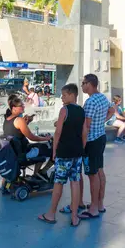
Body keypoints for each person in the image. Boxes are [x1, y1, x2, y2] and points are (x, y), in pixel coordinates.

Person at [38, 84, 87, 226]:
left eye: (64, 95)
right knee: (75, 182)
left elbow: (58, 132)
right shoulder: (81, 111)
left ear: (72, 95)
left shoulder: (64, 110)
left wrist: (54, 150)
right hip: (77, 153)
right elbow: (85, 132)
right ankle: (74, 217)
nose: (62, 97)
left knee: (58, 182)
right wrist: (81, 148)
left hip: (64, 152)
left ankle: (51, 214)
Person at [79, 74, 113, 219]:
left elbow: (86, 126)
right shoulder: (103, 97)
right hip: (101, 137)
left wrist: (82, 145)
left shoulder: (90, 102)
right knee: (99, 171)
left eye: (83, 83)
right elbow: (112, 110)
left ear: (90, 84)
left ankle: (93, 209)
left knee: (92, 175)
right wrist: (102, 122)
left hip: (91, 141)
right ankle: (99, 204)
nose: (82, 86)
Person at [1, 95, 52, 188]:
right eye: (21, 106)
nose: (23, 107)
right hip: (22, 154)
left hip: (13, 153)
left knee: (39, 147)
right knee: (45, 149)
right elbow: (32, 137)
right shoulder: (19, 120)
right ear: (14, 108)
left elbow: (17, 132)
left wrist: (26, 122)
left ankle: (37, 174)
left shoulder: (7, 120)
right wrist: (46, 138)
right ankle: (37, 174)